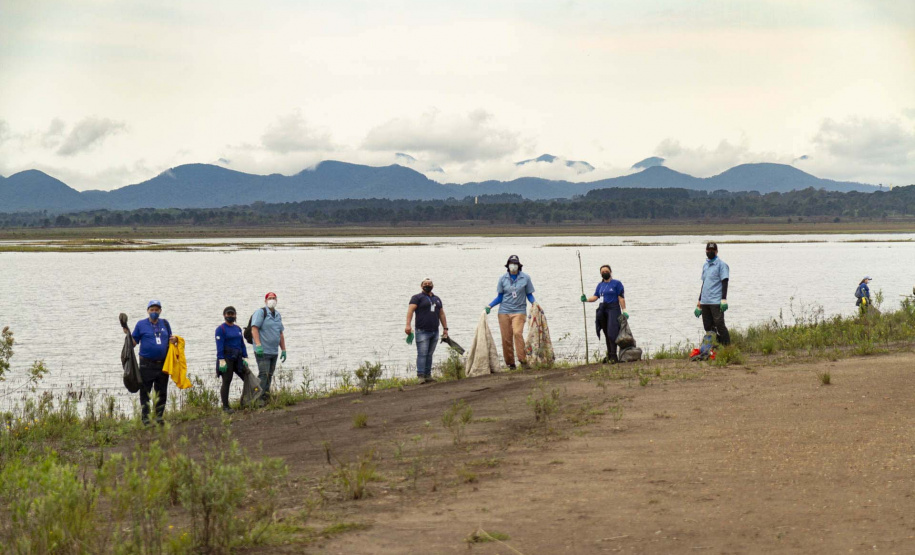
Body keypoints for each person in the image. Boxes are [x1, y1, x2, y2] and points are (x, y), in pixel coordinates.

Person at [124, 300, 178, 426]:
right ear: (148, 310)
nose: (154, 312)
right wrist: (128, 334)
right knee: (145, 392)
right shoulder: (141, 324)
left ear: (160, 311)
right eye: (152, 310)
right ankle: (146, 419)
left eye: (156, 310)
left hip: (163, 364)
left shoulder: (165, 323)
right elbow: (133, 343)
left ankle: (159, 417)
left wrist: (175, 340)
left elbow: (170, 339)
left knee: (161, 392)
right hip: (146, 365)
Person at [484, 255, 536, 369]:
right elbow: (500, 297)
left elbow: (529, 295)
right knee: (506, 338)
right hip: (504, 312)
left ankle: (523, 361)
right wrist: (489, 306)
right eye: (511, 264)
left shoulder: (525, 278)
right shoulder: (503, 279)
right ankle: (511, 364)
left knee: (517, 333)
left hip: (519, 311)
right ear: (508, 266)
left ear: (519, 266)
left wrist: (535, 304)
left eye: (515, 264)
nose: (513, 266)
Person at [405, 278, 449, 384]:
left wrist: (445, 328)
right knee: (422, 353)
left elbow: (441, 314)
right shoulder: (417, 298)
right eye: (425, 283)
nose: (427, 285)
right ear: (421, 286)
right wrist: (408, 325)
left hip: (435, 331)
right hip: (422, 331)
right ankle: (420, 376)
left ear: (433, 286)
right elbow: (410, 311)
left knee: (430, 354)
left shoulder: (437, 299)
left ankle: (428, 375)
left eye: (429, 283)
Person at [582, 265, 628, 363]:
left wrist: (624, 310)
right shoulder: (600, 285)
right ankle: (609, 354)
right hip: (603, 309)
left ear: (610, 272)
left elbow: (621, 298)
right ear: (600, 274)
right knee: (606, 333)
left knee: (612, 332)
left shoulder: (617, 283)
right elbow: (595, 297)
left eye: (606, 271)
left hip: (613, 309)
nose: (604, 273)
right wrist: (586, 299)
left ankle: (614, 356)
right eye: (602, 272)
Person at [251, 292, 286, 404]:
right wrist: (258, 345)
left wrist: (283, 349)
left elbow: (280, 333)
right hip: (263, 351)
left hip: (274, 351)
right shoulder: (261, 313)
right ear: (265, 301)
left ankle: (266, 396)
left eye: (274, 298)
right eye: (270, 298)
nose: (272, 300)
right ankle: (257, 398)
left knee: (269, 374)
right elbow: (254, 329)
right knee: (263, 374)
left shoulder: (277, 315)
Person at [694, 242, 730, 345]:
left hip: (716, 301)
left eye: (712, 250)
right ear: (706, 251)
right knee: (708, 327)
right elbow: (704, 283)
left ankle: (727, 347)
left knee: (719, 324)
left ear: (716, 251)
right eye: (708, 250)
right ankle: (715, 346)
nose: (710, 252)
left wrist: (724, 299)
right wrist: (699, 302)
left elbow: (725, 282)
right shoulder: (705, 265)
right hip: (705, 301)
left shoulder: (722, 265)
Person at [215, 306, 249, 413]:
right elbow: (219, 345)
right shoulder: (221, 329)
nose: (230, 316)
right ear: (224, 315)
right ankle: (226, 407)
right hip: (226, 359)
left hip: (238, 359)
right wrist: (221, 360)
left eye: (232, 314)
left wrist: (245, 356)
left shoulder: (238, 329)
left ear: (235, 315)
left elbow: (242, 344)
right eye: (228, 314)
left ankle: (246, 401)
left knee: (247, 378)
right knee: (227, 381)